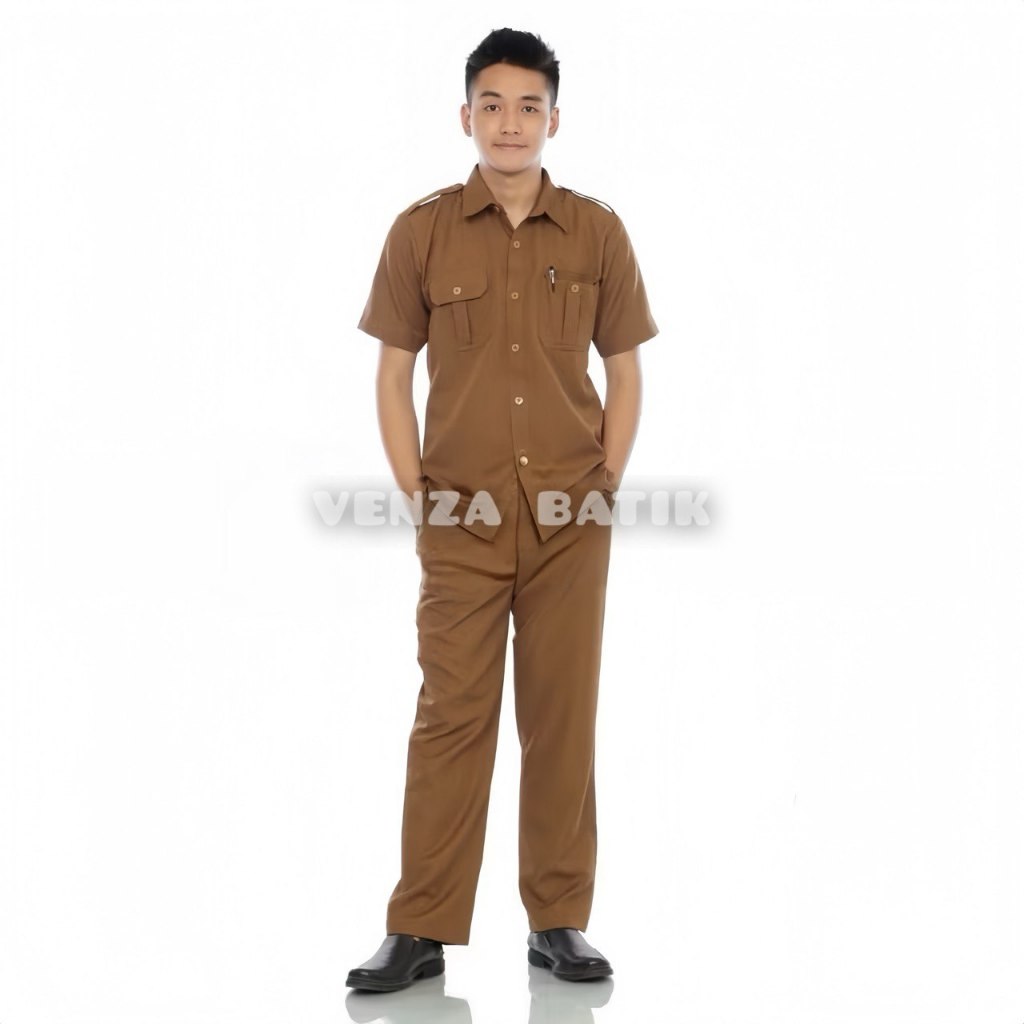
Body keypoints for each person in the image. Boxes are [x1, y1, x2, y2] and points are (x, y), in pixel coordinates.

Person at [346, 27, 658, 992]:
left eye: (529, 106)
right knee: (451, 717)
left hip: (571, 524)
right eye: (493, 104)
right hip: (463, 523)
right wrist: (421, 496)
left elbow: (626, 369)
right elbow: (393, 374)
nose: (510, 123)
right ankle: (420, 928)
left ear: (554, 119)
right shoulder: (422, 232)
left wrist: (601, 486)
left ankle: (559, 920)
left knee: (561, 718)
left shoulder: (597, 233)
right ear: (466, 116)